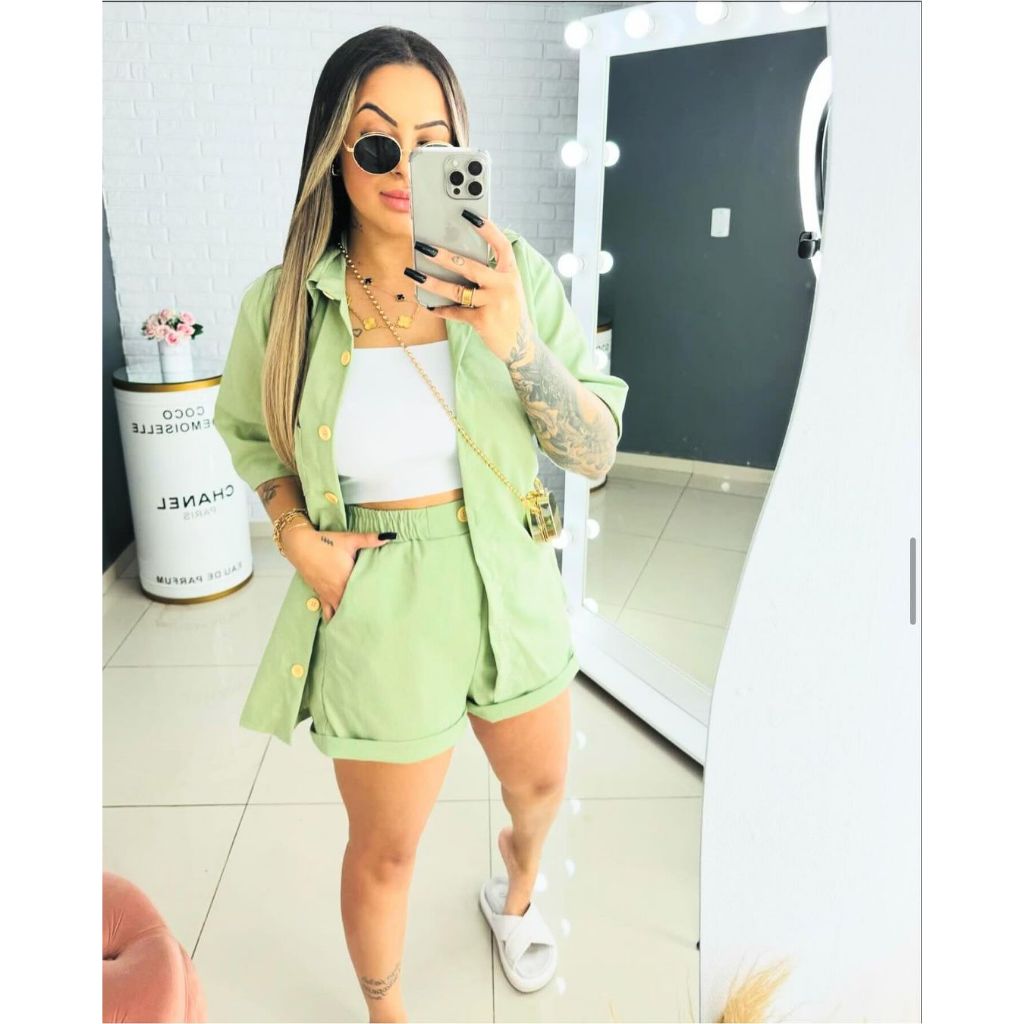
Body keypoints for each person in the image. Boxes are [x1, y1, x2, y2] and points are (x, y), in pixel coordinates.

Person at [213, 26, 628, 1024]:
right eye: (376, 143)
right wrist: (296, 537)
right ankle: (387, 1010)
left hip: (508, 571)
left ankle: (514, 891)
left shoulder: (514, 274)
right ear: (333, 154)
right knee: (387, 849)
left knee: (539, 792)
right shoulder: (285, 304)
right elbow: (251, 437)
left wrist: (515, 341)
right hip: (382, 592)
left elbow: (594, 452)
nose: (405, 169)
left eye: (432, 144)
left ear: (461, 153)